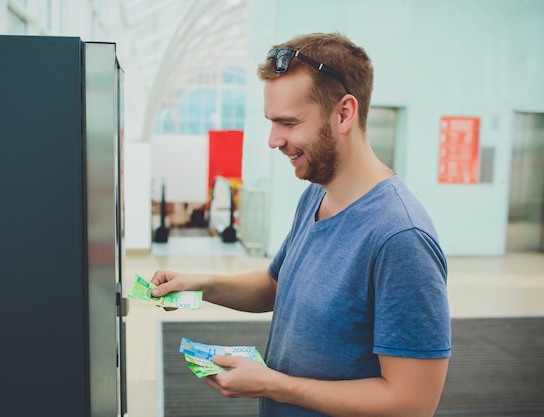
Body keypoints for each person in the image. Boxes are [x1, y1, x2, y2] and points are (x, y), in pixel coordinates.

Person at [151, 32, 451, 417]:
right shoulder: (316, 194)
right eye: (272, 122)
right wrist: (202, 285)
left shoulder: (400, 238)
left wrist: (273, 384)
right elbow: (279, 285)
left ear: (344, 113)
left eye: (288, 122)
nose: (274, 140)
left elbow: (412, 403)